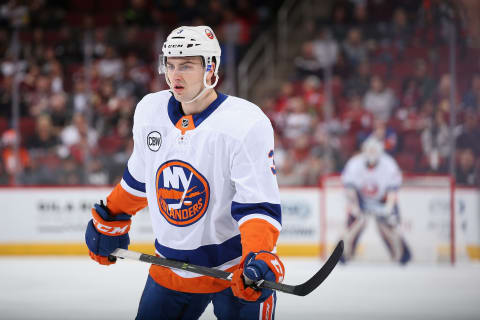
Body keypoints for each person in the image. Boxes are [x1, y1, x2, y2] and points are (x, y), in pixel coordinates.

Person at [84, 26, 284, 320]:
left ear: (210, 67)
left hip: (234, 271)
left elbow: (257, 205)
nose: (175, 75)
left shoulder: (246, 123)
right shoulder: (149, 111)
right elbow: (140, 181)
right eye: (171, 64)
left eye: (187, 66)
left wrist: (259, 255)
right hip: (169, 268)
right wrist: (111, 216)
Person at [339, 137, 410, 265]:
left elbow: (392, 191)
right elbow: (350, 189)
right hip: (361, 200)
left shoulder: (389, 164)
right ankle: (343, 254)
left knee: (390, 226)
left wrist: (388, 208)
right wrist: (355, 207)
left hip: (382, 200)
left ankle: (402, 254)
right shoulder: (355, 163)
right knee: (353, 225)